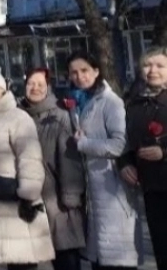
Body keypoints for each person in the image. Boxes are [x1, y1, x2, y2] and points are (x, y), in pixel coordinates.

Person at [0, 64, 55, 270]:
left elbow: (29, 157)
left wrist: (28, 196)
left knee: (23, 261)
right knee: (5, 260)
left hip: (16, 202)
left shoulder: (18, 117)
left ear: (3, 88)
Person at [67, 51, 139, 270]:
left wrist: (84, 144)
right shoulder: (80, 101)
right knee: (99, 257)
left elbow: (119, 144)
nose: (79, 76)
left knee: (117, 258)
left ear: (96, 71)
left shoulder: (110, 102)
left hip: (112, 186)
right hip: (93, 189)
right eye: (74, 72)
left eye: (85, 70)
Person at [21, 68, 86, 270]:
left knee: (64, 255)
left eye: (40, 84)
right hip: (29, 197)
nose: (35, 88)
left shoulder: (60, 116)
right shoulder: (19, 116)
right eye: (31, 83)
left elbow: (69, 159)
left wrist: (71, 196)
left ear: (48, 87)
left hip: (57, 198)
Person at [120, 47, 167, 270]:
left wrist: (164, 151)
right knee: (162, 249)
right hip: (152, 188)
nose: (153, 70)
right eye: (147, 65)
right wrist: (125, 163)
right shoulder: (134, 103)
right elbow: (125, 141)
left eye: (160, 66)